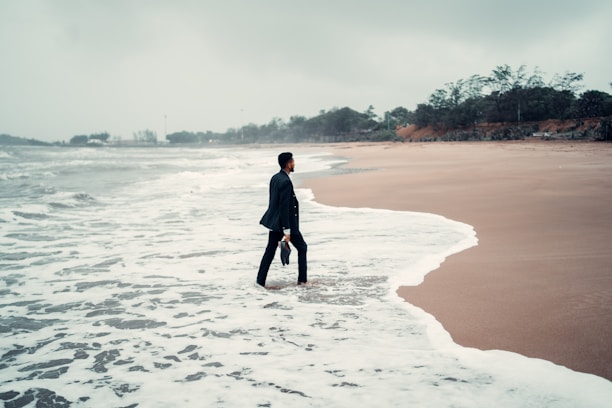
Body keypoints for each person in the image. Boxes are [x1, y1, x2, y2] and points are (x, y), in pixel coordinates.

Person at [257, 152, 307, 287]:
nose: (294, 163)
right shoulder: (285, 182)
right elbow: (284, 206)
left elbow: (273, 202)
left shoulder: (275, 178)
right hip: (286, 223)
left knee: (269, 252)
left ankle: (259, 282)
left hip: (275, 223)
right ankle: (302, 282)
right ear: (288, 163)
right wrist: (287, 230)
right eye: (293, 161)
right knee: (302, 248)